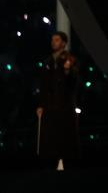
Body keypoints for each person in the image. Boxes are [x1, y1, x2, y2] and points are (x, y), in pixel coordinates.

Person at [35, 31, 79, 170]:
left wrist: (67, 71)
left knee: (65, 136)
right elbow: (43, 85)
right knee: (50, 137)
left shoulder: (70, 59)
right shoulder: (48, 61)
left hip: (64, 104)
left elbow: (73, 81)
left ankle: (67, 164)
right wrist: (41, 104)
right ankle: (51, 164)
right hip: (50, 105)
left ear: (63, 43)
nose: (53, 42)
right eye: (52, 40)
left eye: (57, 40)